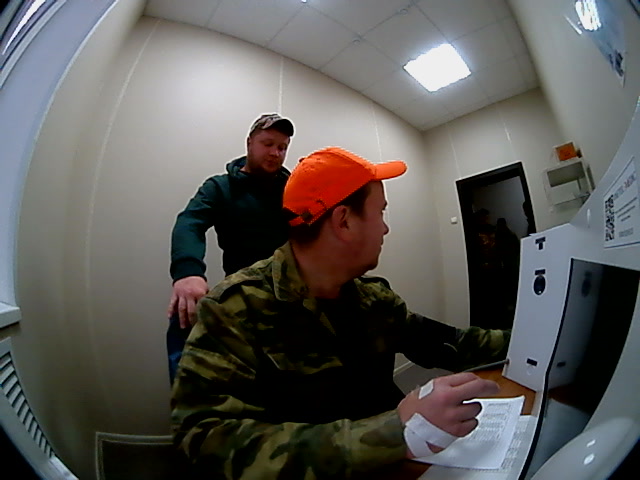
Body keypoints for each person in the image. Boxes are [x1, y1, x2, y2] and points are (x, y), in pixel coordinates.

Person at [171, 147, 510, 479]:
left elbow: (449, 343)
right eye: (381, 212)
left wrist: (534, 340)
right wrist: (392, 433)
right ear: (344, 221)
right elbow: (205, 439)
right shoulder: (233, 309)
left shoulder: (375, 300)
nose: (385, 229)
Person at [166, 113, 294, 383]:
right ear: (249, 143)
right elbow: (190, 223)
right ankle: (195, 406)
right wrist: (188, 272)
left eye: (282, 147)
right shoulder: (220, 187)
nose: (275, 153)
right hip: (242, 290)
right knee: (184, 318)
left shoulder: (294, 190)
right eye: (268, 144)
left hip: (290, 293)